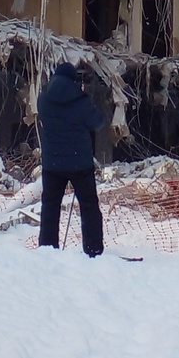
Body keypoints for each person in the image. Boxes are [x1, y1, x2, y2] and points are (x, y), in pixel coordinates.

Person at [36, 60, 108, 256]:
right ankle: (93, 249)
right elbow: (98, 122)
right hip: (80, 164)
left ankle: (47, 248)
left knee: (50, 206)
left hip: (52, 164)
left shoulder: (43, 99)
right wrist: (84, 95)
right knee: (89, 206)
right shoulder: (81, 101)